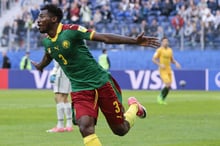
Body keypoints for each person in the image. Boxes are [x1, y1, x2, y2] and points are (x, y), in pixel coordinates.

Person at [32, 4, 160, 146]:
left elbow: (104, 37)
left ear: (54, 19)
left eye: (42, 17)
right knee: (84, 127)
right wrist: (40, 66)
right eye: (38, 17)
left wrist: (134, 41)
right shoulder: (47, 42)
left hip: (101, 83)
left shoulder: (71, 31)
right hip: (80, 89)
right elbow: (49, 54)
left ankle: (135, 106)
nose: (38, 20)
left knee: (120, 129)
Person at [152, 37, 181, 105]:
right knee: (167, 84)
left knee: (169, 86)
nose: (166, 42)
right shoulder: (159, 50)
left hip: (169, 69)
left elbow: (172, 60)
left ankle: (163, 99)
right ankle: (160, 96)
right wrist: (160, 65)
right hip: (162, 70)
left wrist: (176, 63)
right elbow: (153, 59)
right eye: (164, 41)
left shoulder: (170, 50)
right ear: (162, 42)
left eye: (167, 41)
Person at [47, 60, 73, 133]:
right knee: (65, 98)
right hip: (69, 71)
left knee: (58, 96)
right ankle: (69, 125)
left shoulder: (56, 48)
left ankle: (60, 126)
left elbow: (58, 61)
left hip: (61, 71)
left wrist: (54, 72)